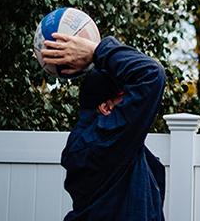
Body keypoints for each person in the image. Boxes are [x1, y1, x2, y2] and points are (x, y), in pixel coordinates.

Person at [41, 32, 166, 221]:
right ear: (106, 108)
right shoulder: (102, 143)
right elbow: (151, 74)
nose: (135, 100)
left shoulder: (104, 142)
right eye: (125, 96)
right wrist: (95, 50)